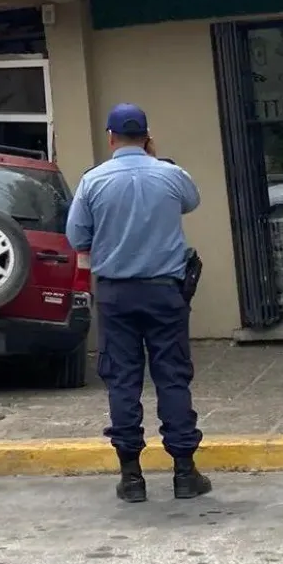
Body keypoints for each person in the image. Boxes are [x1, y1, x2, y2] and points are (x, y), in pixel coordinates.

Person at [66, 103, 209, 503]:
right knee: (173, 376)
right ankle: (184, 471)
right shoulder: (170, 175)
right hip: (166, 291)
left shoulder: (93, 181)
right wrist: (154, 159)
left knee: (123, 380)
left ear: (110, 137)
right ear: (147, 136)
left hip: (116, 295)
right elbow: (191, 201)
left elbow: (77, 236)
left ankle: (132, 477)